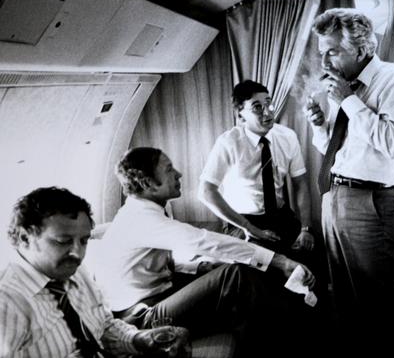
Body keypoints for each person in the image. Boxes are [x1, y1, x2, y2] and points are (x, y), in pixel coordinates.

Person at [91, 147, 315, 357]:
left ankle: (277, 337)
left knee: (240, 274)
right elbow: (205, 241)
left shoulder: (149, 209)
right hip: (141, 316)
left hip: (161, 294)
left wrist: (199, 266)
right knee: (234, 276)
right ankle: (294, 335)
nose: (178, 174)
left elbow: (156, 260)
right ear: (148, 183)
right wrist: (281, 261)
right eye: (169, 170)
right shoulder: (140, 217)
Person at [304, 8, 394, 357]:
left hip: (369, 202)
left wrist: (348, 101)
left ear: (361, 49)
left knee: (376, 297)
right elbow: (338, 150)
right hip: (335, 194)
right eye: (321, 51)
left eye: (332, 51)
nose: (324, 60)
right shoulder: (346, 87)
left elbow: (392, 142)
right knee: (341, 293)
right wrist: (319, 125)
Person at [0, 187, 190, 358]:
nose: (77, 253)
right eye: (62, 241)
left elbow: (104, 326)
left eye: (83, 241)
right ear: (25, 238)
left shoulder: (75, 271)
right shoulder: (7, 303)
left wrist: (140, 338)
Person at [198, 79, 318, 260]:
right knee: (266, 261)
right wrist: (249, 228)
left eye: (269, 104)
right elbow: (206, 192)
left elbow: (300, 184)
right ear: (240, 115)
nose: (268, 112)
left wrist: (305, 228)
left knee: (313, 254)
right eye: (257, 107)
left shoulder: (287, 136)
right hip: (241, 220)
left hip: (280, 216)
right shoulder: (229, 142)